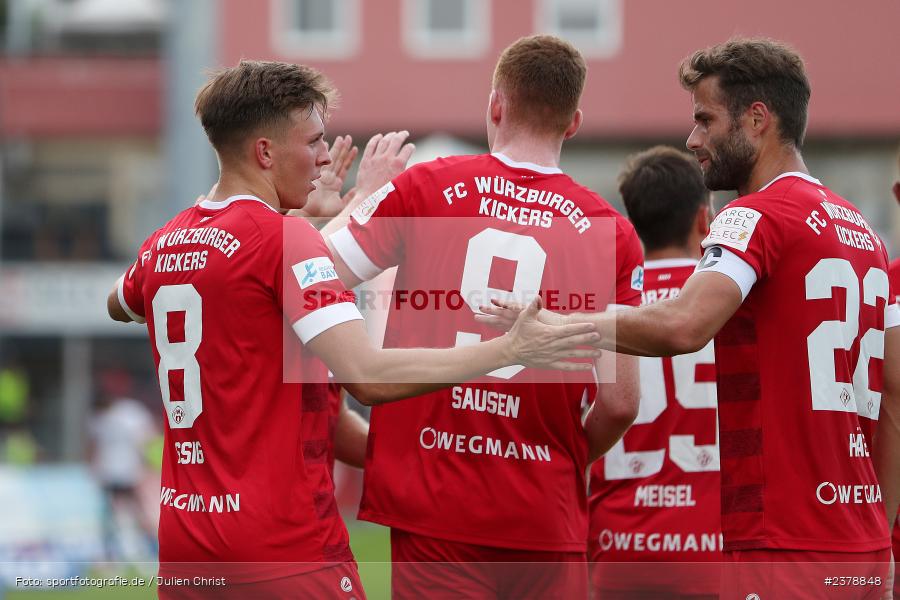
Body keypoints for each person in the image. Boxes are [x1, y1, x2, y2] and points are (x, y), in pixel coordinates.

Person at [105, 59, 600, 599]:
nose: (324, 156)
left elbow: (118, 302)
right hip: (284, 548)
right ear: (265, 153)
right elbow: (368, 375)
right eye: (314, 141)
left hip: (187, 548)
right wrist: (510, 346)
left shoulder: (164, 243)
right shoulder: (283, 241)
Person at [481, 38, 900, 600]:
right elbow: (895, 399)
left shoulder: (754, 215)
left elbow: (682, 325)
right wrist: (881, 540)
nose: (692, 139)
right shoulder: (865, 234)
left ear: (757, 119)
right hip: (863, 550)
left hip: (781, 548)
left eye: (705, 119)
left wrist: (554, 323)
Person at [323, 35, 643, 599]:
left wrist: (358, 197)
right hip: (545, 510)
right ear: (574, 123)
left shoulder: (424, 186)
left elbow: (312, 277)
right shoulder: (611, 233)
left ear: (495, 105)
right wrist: (559, 460)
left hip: (435, 504)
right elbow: (619, 403)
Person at [588, 146, 721, 599]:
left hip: (618, 547)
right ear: (706, 221)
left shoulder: (603, 310)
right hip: (716, 550)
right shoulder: (729, 301)